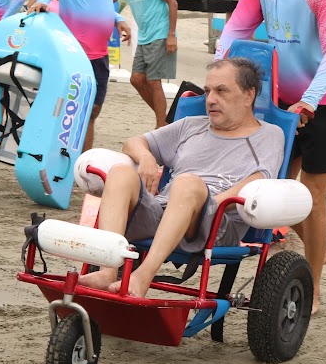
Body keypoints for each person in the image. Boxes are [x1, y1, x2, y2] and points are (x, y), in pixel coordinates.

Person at [214, 0, 326, 314]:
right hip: (279, 104)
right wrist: (218, 74)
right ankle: (318, 244)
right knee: (268, 190)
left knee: (312, 196)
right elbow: (236, 31)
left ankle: (312, 283)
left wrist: (310, 98)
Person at [78, 58, 285, 298]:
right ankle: (107, 270)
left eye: (221, 91)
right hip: (166, 210)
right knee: (120, 172)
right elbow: (133, 143)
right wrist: (146, 158)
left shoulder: (269, 134)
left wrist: (207, 203)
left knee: (187, 183)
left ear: (249, 95)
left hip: (217, 222)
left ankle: (142, 277)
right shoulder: (191, 126)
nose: (210, 100)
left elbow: (258, 180)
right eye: (208, 91)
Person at [29, 0, 132, 151]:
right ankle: (54, 155)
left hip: (100, 53)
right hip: (76, 52)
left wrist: (117, 18)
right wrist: (42, 1)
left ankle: (81, 165)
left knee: (93, 111)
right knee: (69, 109)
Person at [108, 0, 178, 128]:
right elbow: (107, 2)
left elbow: (172, 2)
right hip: (145, 36)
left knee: (154, 81)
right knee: (136, 79)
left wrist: (171, 35)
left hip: (161, 33)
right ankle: (163, 119)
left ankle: (160, 125)